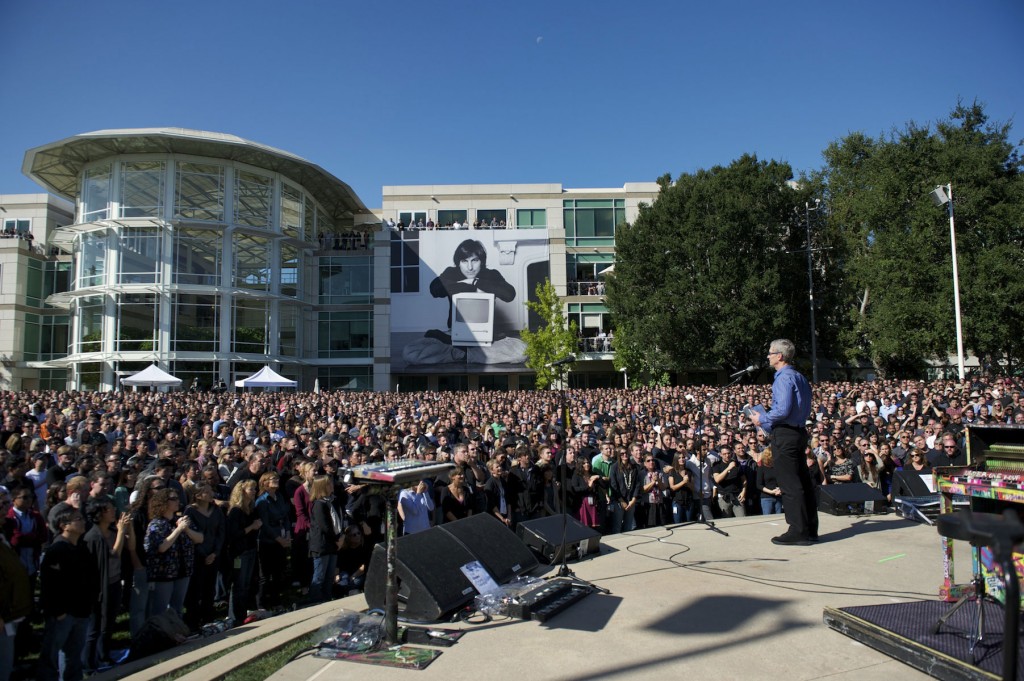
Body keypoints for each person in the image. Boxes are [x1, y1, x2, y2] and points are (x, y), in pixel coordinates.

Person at [402, 238, 527, 365]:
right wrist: (467, 285)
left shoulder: (491, 275)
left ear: (482, 261)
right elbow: (434, 289)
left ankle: (460, 355)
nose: (470, 267)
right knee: (410, 352)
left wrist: (475, 281)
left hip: (489, 337)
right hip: (455, 336)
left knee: (523, 351)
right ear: (458, 262)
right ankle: (474, 355)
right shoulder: (452, 273)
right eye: (464, 261)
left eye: (475, 260)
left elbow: (509, 294)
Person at [751, 339, 817, 546]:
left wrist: (761, 419)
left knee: (790, 484)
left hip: (786, 436)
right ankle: (809, 529)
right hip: (798, 433)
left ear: (779, 356)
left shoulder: (783, 378)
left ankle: (797, 530)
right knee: (803, 482)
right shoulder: (799, 377)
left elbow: (782, 410)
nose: (768, 356)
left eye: (770, 353)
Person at [37, 508, 96, 681]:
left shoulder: (81, 547)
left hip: (81, 611)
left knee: (73, 657)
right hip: (62, 614)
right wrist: (60, 612)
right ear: (64, 525)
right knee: (51, 657)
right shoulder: (57, 550)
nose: (83, 521)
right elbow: (50, 585)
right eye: (77, 519)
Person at [144, 488, 202, 618]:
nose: (178, 501)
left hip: (183, 570)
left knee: (177, 607)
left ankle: (177, 633)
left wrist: (186, 529)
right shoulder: (156, 524)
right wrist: (178, 530)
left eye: (177, 498)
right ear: (163, 502)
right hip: (164, 573)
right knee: (161, 610)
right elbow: (162, 547)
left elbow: (200, 538)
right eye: (173, 499)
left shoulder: (182, 520)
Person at [0, 492, 32, 681]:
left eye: (6, 503)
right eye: (1, 504)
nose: (6, 508)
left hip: (10, 613)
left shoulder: (3, 534)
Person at [307, 476, 343, 603]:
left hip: (333, 544)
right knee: (319, 576)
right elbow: (325, 527)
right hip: (322, 544)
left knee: (329, 576)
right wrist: (337, 539)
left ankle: (326, 600)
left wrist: (340, 536)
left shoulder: (332, 501)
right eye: (328, 484)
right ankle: (315, 601)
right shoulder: (319, 505)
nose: (332, 486)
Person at [756, 448, 784, 515]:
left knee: (779, 518)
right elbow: (759, 485)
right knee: (768, 518)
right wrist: (771, 492)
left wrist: (780, 489)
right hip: (767, 497)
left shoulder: (778, 467)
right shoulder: (761, 468)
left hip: (778, 496)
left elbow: (783, 480)